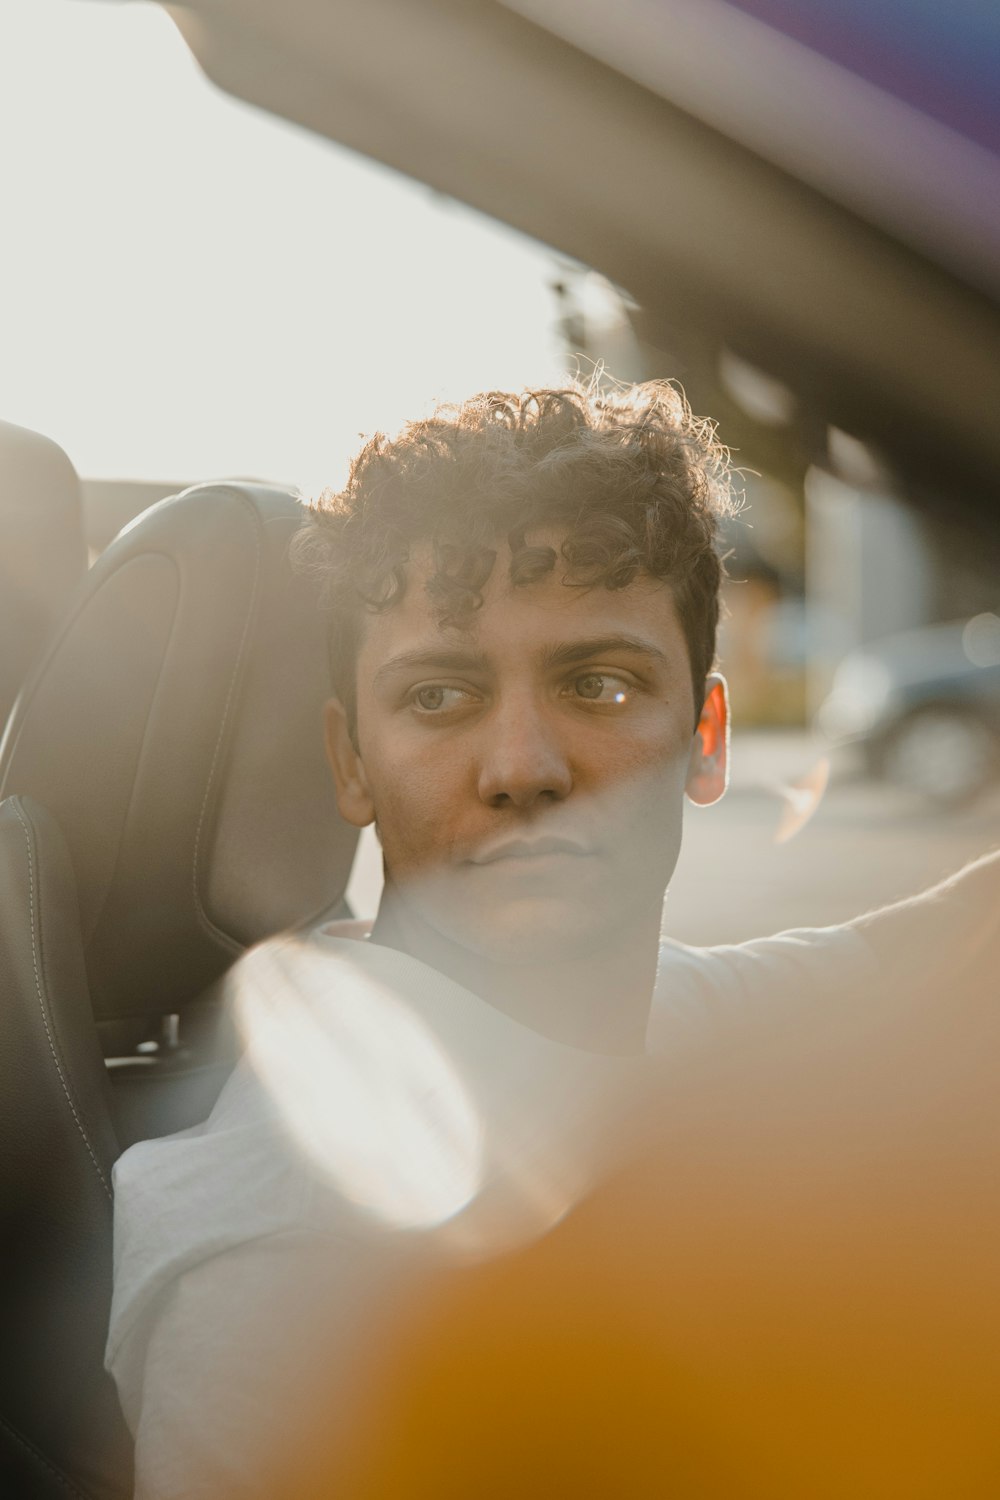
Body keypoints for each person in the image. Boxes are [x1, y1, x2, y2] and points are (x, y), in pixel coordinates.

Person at [105, 382, 999, 1498]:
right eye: (439, 696)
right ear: (350, 763)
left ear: (704, 739)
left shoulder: (649, 1018)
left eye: (600, 684)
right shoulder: (291, 1243)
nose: (522, 764)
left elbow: (928, 949)